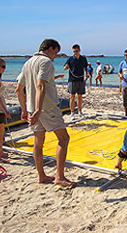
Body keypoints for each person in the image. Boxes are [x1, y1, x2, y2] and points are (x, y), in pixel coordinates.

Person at [17, 39, 75, 186]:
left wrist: (24, 109)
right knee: (63, 139)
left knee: (38, 142)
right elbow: (40, 85)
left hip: (32, 107)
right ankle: (59, 176)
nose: (55, 56)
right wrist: (38, 109)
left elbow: (19, 88)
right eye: (55, 52)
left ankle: (41, 175)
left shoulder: (28, 63)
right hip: (46, 108)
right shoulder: (45, 62)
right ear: (49, 49)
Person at [63, 44, 88, 119]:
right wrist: (66, 67)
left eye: (76, 51)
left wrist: (87, 74)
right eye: (74, 51)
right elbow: (65, 68)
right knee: (72, 96)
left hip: (80, 79)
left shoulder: (83, 58)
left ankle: (80, 111)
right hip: (72, 80)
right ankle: (72, 113)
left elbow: (86, 67)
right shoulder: (70, 59)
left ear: (79, 50)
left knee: (80, 96)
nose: (75, 53)